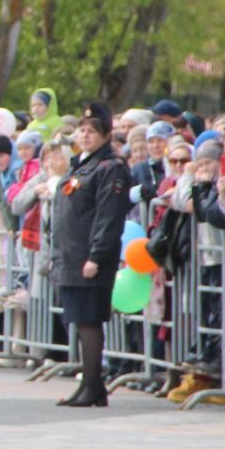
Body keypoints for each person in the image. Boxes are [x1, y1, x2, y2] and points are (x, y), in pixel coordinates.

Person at [49, 103, 131, 408]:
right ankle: (91, 385)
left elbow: (108, 217)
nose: (84, 135)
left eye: (92, 131)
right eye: (82, 129)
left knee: (89, 322)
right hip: (71, 255)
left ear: (106, 135)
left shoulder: (110, 167)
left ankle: (93, 386)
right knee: (80, 321)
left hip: (90, 256)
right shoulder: (81, 164)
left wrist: (96, 256)